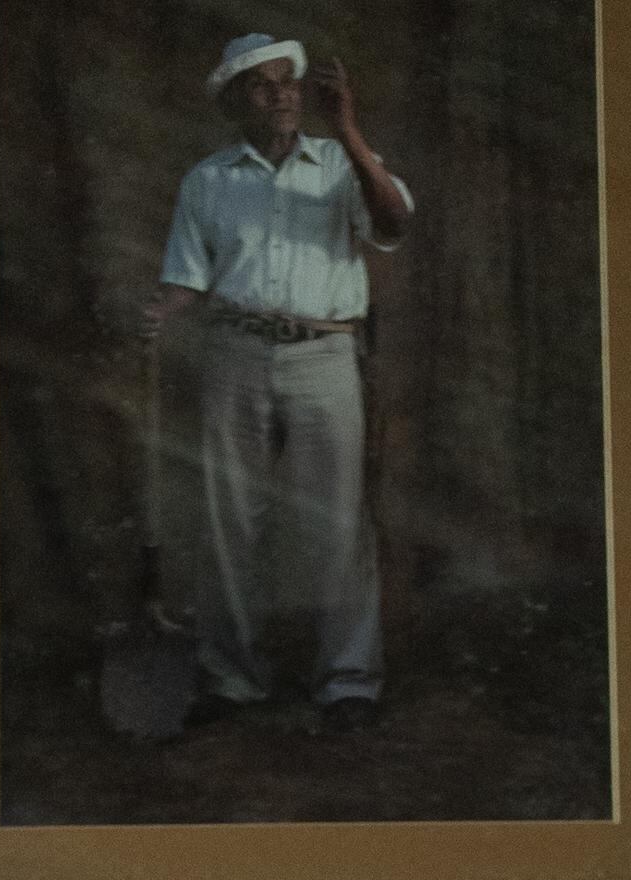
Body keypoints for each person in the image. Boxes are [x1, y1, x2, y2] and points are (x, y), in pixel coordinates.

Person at [151, 32, 411, 726]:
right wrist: (157, 311)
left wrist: (349, 129)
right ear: (235, 100)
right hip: (234, 354)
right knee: (229, 520)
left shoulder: (339, 164)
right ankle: (231, 680)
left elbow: (393, 222)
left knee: (339, 522)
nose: (283, 92)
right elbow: (187, 280)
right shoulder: (207, 180)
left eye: (289, 80)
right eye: (263, 84)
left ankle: (348, 683)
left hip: (323, 356)